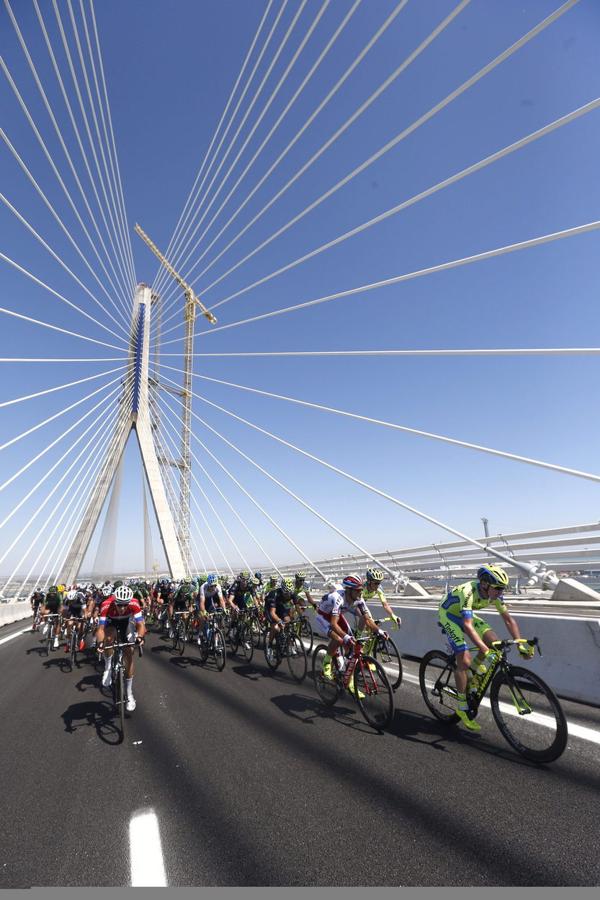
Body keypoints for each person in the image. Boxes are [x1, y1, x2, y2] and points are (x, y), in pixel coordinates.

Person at [438, 564, 533, 732]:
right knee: (464, 659)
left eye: (503, 589)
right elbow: (467, 626)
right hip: (449, 616)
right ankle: (461, 706)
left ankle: (472, 675)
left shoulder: (495, 595)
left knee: (494, 642)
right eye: (497, 588)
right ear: (484, 584)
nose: (500, 592)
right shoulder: (467, 592)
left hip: (465, 614)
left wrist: (520, 644)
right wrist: (485, 651)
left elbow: (509, 620)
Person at [314, 574, 388, 694]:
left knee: (352, 649)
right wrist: (346, 637)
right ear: (349, 590)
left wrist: (379, 631)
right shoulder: (337, 598)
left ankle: (348, 679)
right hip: (323, 616)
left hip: (336, 616)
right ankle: (327, 662)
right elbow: (333, 624)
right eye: (358, 590)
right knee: (339, 639)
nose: (360, 592)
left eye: (361, 590)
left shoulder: (359, 599)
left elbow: (367, 619)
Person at [96, 585, 145, 712]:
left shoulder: (134, 603)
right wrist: (100, 643)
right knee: (108, 639)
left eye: (125, 605)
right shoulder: (106, 604)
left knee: (129, 654)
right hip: (111, 623)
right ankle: (107, 667)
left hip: (126, 624)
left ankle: (129, 694)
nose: (122, 608)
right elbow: (101, 629)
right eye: (119, 605)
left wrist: (140, 637)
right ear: (114, 601)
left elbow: (140, 624)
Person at [41, 585, 63, 649]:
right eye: (51, 593)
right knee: (45, 612)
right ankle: (46, 624)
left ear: (56, 592)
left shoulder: (59, 596)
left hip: (56, 607)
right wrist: (42, 613)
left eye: (53, 593)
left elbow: (61, 606)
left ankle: (56, 639)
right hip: (49, 606)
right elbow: (43, 605)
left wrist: (60, 612)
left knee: (57, 623)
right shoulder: (46, 596)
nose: (52, 594)